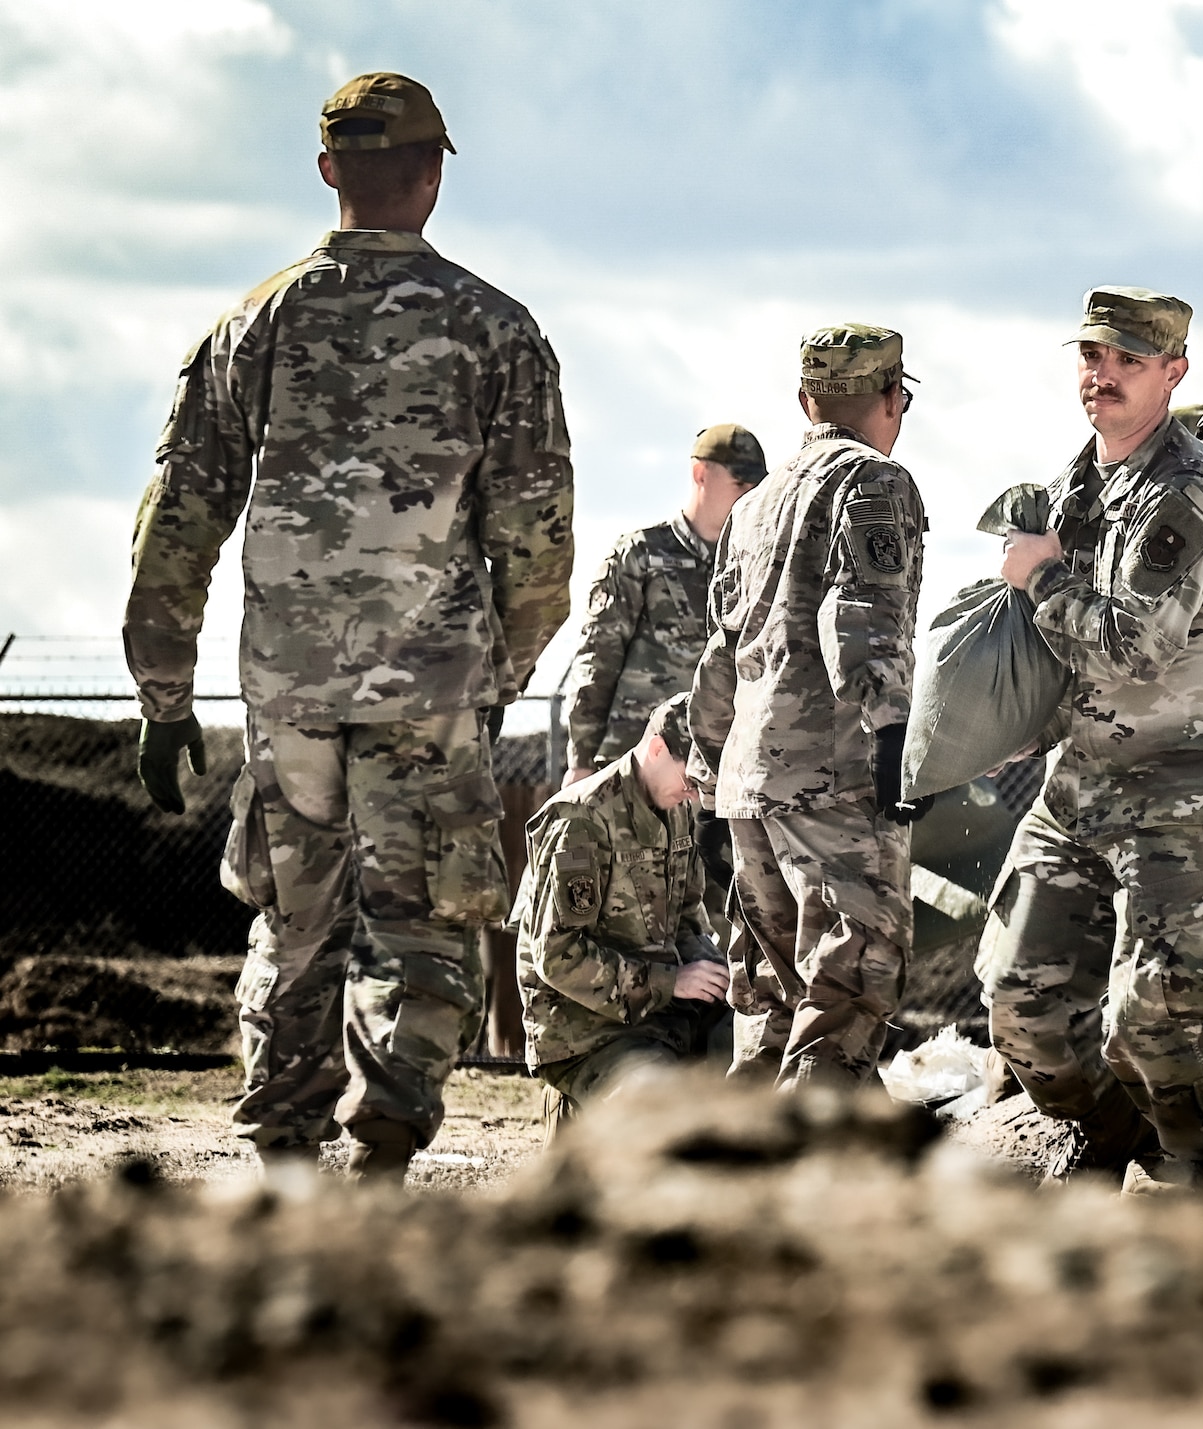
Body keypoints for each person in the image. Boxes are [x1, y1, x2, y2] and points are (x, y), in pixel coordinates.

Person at [122, 73, 574, 1182]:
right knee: (417, 923)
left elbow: (178, 522)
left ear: (330, 172)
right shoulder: (495, 331)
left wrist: (164, 695)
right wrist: (500, 673)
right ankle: (381, 1151)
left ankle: (281, 1148)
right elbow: (537, 542)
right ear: (430, 176)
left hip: (289, 690)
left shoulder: (253, 324)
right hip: (430, 688)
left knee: (295, 917)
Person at [980, 286, 1203, 1191]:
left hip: (1188, 787)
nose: (1102, 374)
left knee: (1156, 1019)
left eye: (1127, 360)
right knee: (1019, 1004)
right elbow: (1064, 656)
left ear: (1173, 373)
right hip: (1083, 785)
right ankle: (1114, 1134)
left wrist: (1039, 580)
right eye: (1092, 357)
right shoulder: (1083, 482)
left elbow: (1137, 645)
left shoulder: (1188, 491)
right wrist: (1016, 724)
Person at [687, 324, 929, 1090]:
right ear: (894, 398)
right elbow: (861, 620)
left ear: (804, 399)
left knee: (769, 998)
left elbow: (722, 645)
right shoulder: (874, 483)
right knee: (851, 983)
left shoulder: (755, 506)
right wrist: (897, 741)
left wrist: (707, 760)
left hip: (749, 783)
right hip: (832, 775)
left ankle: (737, 1169)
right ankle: (809, 1165)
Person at [514, 695, 728, 1133]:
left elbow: (686, 917)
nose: (694, 794)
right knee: (663, 1113)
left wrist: (715, 971)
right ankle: (574, 1111)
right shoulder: (583, 819)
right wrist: (671, 982)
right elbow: (556, 956)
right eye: (690, 780)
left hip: (663, 1014)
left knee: (763, 1057)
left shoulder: (677, 810)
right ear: (656, 750)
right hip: (588, 1030)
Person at [562, 425, 767, 783]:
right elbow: (598, 659)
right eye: (740, 483)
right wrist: (581, 759)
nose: (750, 495)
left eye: (756, 486)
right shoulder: (640, 555)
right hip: (640, 765)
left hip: (723, 771)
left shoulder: (755, 566)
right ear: (700, 474)